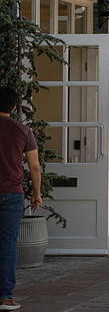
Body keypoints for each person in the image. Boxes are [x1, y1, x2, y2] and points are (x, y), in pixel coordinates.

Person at [0, 87, 41, 312]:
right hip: (11, 193)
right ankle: (5, 298)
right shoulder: (23, 131)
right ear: (15, 107)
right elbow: (34, 166)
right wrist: (36, 193)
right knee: (7, 244)